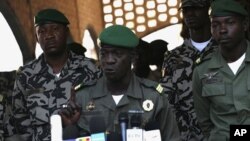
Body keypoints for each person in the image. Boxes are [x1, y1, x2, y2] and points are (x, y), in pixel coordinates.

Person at [60, 25, 181, 141]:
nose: (109, 60)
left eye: (117, 54)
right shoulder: (82, 97)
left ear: (133, 57)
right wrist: (70, 126)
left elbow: (171, 138)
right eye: (104, 54)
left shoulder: (153, 97)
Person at [6, 8, 102, 141]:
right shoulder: (25, 76)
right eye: (42, 31)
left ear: (66, 32)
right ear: (37, 38)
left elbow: (104, 112)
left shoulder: (91, 69)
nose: (49, 35)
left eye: (55, 29)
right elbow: (19, 123)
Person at [161, 0, 218, 140]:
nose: (190, 14)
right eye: (185, 10)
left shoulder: (222, 51)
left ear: (207, 10)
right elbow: (168, 102)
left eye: (196, 8)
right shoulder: (173, 57)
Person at [192, 0, 249, 140]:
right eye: (215, 25)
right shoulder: (202, 70)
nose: (222, 30)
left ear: (245, 25)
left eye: (230, 23)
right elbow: (204, 121)